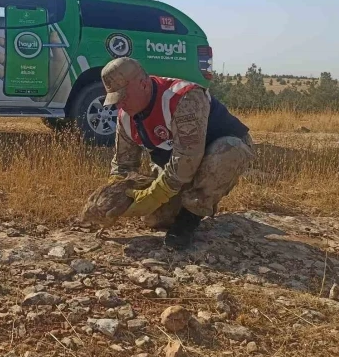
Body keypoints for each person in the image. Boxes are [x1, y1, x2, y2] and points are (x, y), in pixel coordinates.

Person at [102, 57, 255, 249]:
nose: (120, 105)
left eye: (123, 96)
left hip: (221, 150)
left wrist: (157, 193)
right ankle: (186, 201)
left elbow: (188, 156)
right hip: (177, 166)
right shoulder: (126, 117)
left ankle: (191, 216)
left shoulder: (183, 97)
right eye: (116, 99)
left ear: (143, 83)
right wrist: (113, 197)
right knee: (154, 218)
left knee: (227, 151)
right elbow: (123, 165)